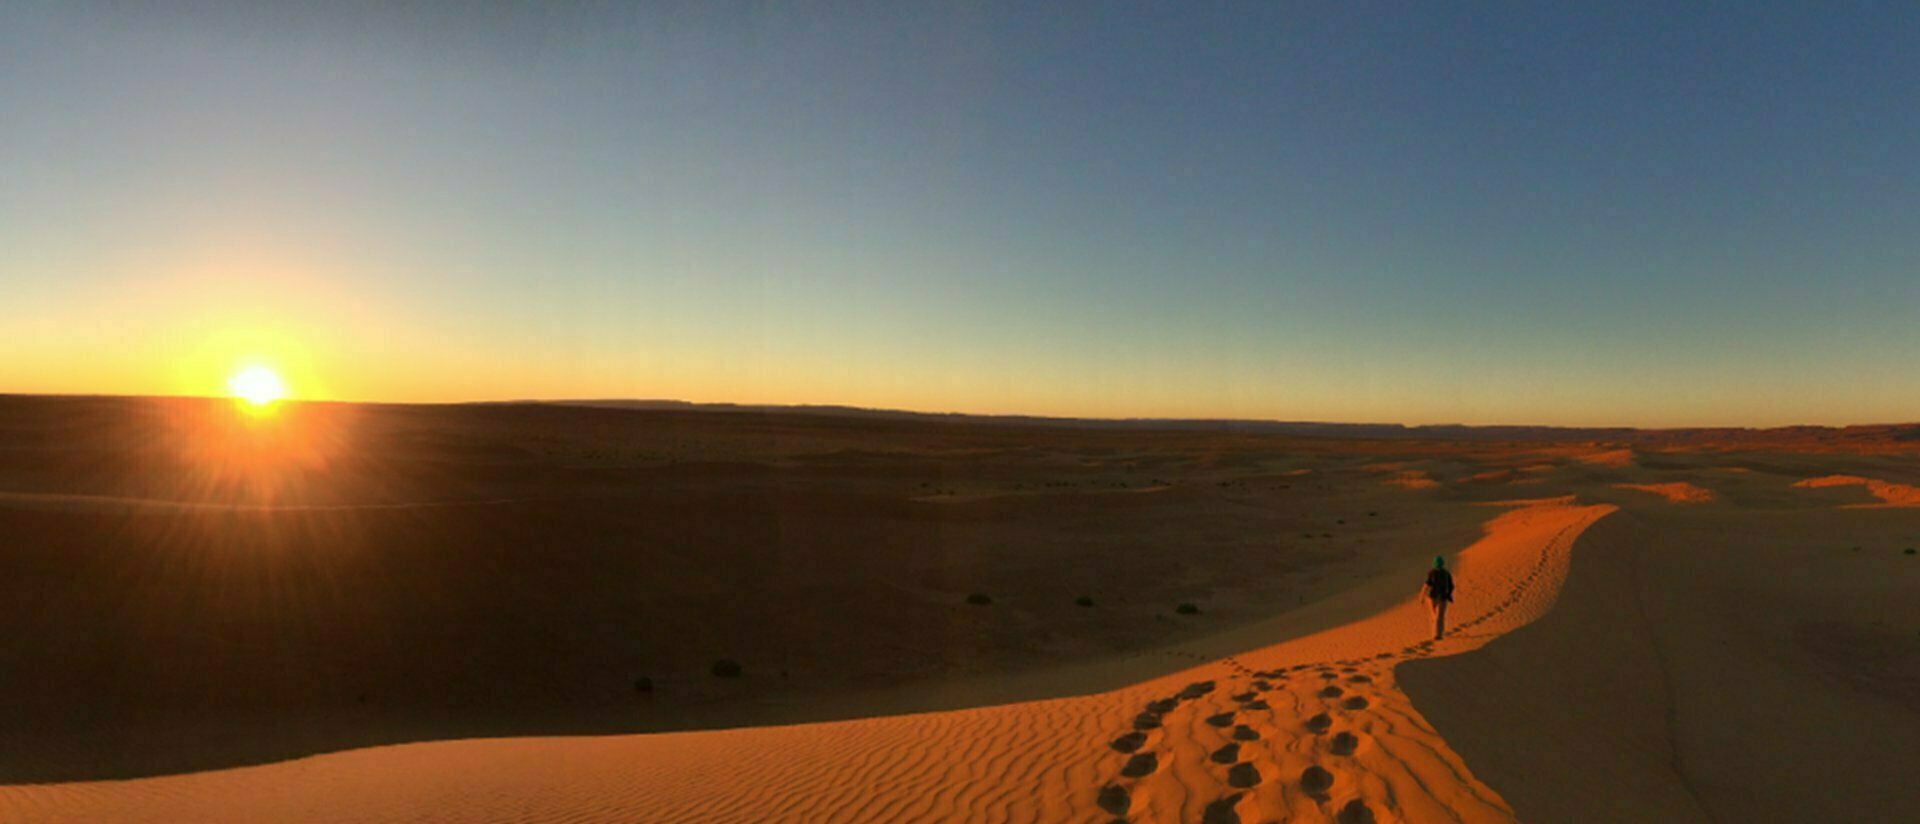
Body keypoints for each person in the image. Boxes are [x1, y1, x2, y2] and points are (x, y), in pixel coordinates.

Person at [1422, 556, 1454, 640]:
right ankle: (1438, 634)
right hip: (1442, 597)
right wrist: (1449, 594)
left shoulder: (1431, 573)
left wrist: (1422, 595)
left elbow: (1426, 585)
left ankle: (1436, 633)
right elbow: (1451, 586)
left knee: (1434, 615)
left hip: (1432, 597)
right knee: (1440, 616)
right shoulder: (1446, 573)